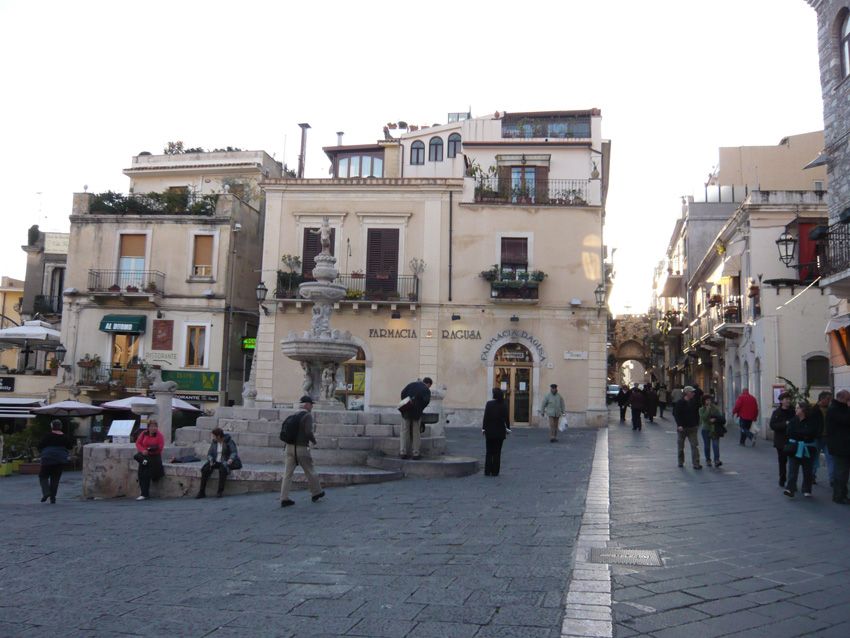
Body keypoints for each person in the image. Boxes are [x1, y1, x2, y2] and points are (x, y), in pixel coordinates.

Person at [280, 396, 324, 507]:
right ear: (306, 404)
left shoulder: (294, 415)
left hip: (289, 447)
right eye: (311, 404)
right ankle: (317, 492)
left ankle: (284, 498)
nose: (312, 406)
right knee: (310, 470)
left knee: (287, 474)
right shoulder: (307, 416)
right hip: (301, 448)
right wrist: (314, 441)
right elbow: (308, 431)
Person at [784, 402, 819, 498]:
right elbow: (789, 432)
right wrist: (803, 434)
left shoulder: (811, 421)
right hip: (794, 448)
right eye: (796, 408)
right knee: (792, 470)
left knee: (807, 470)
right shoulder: (793, 420)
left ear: (803, 410)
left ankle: (807, 489)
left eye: (798, 408)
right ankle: (790, 489)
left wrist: (800, 434)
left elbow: (812, 432)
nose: (795, 409)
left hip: (808, 448)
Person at [196, 427, 242, 498]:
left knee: (223, 470)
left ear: (219, 436)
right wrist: (211, 459)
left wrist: (230, 459)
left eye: (214, 436)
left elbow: (234, 452)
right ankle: (202, 492)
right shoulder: (214, 443)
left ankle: (220, 491)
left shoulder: (229, 441)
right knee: (205, 469)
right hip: (215, 461)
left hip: (225, 461)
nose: (213, 437)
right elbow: (209, 454)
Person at [38, 419, 72, 504]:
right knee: (55, 479)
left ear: (52, 427)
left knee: (43, 476)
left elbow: (40, 445)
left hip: (48, 458)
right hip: (60, 459)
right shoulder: (65, 437)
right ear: (61, 427)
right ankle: (53, 498)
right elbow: (70, 446)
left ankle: (46, 492)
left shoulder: (47, 436)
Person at [826, 389, 850, 504]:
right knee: (841, 472)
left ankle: (842, 494)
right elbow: (845, 420)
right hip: (840, 446)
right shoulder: (834, 409)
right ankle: (839, 495)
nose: (848, 401)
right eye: (848, 399)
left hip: (844, 445)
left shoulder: (841, 408)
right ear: (841, 398)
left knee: (843, 472)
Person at [399, 377, 433, 459]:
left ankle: (403, 452)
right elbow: (426, 401)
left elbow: (402, 393)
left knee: (404, 431)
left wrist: (407, 403)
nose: (429, 387)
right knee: (416, 432)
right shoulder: (426, 389)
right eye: (429, 386)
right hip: (416, 413)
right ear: (428, 384)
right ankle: (416, 453)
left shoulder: (411, 384)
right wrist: (420, 408)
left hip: (406, 411)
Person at [482, 387, 511, 476]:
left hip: (489, 430)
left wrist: (483, 428)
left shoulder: (489, 404)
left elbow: (486, 417)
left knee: (489, 451)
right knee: (497, 452)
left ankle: (487, 471)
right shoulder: (504, 404)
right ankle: (495, 471)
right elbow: (506, 418)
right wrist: (508, 428)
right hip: (500, 431)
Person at [769, 392, 796, 488]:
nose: (788, 401)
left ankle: (792, 481)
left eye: (789, 399)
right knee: (782, 461)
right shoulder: (776, 413)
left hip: (792, 440)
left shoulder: (794, 411)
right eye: (786, 399)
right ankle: (782, 478)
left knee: (794, 462)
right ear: (781, 401)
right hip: (781, 441)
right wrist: (785, 424)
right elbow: (772, 425)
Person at [135, 419, 165, 501]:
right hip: (145, 455)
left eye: (155, 426)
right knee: (138, 461)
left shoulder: (159, 435)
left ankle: (144, 494)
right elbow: (138, 443)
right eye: (151, 426)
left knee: (144, 470)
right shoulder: (144, 433)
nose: (153, 428)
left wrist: (148, 450)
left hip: (154, 456)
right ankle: (144, 494)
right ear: (148, 427)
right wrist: (143, 450)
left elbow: (160, 448)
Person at [673, 386, 701, 469]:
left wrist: (697, 423)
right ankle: (680, 462)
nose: (693, 393)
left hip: (692, 427)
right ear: (687, 393)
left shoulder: (694, 402)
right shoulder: (680, 403)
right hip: (682, 428)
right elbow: (676, 414)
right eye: (692, 392)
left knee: (694, 446)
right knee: (681, 447)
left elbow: (697, 413)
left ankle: (696, 463)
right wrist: (679, 425)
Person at [811, 391, 833, 486]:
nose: (829, 401)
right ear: (822, 399)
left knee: (831, 458)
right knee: (814, 458)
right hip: (817, 437)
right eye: (828, 399)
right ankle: (812, 476)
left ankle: (833, 479)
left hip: (828, 438)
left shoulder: (831, 409)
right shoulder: (814, 410)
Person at [698, 395, 723, 468]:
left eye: (709, 400)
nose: (708, 401)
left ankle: (717, 460)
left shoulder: (715, 408)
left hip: (714, 429)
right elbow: (704, 418)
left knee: (716, 445)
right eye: (707, 400)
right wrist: (708, 409)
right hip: (705, 429)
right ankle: (708, 460)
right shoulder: (701, 409)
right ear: (704, 401)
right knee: (707, 446)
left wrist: (715, 419)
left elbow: (720, 416)